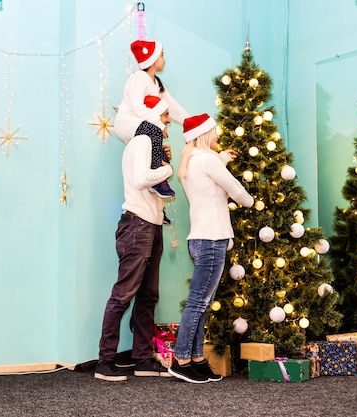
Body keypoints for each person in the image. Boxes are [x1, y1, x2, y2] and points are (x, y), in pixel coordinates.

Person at [168, 114, 254, 383]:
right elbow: (236, 189)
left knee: (202, 303)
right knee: (198, 303)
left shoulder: (193, 160)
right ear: (205, 135)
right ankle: (181, 359)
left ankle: (196, 358)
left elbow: (213, 172)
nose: (218, 136)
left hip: (199, 239)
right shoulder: (206, 160)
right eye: (215, 132)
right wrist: (249, 201)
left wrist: (224, 157)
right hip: (212, 240)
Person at [95, 97, 174, 382]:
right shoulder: (142, 141)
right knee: (123, 295)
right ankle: (105, 362)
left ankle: (142, 358)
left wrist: (162, 161)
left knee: (147, 296)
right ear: (154, 116)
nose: (168, 121)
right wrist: (167, 169)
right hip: (138, 226)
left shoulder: (149, 144)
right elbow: (143, 179)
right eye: (165, 115)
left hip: (151, 225)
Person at [114, 39, 190, 202]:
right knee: (155, 132)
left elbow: (172, 106)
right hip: (128, 123)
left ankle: (157, 206)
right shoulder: (138, 78)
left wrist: (190, 122)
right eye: (162, 55)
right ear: (154, 59)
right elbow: (137, 106)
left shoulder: (156, 83)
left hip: (142, 124)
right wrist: (159, 123)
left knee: (159, 149)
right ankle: (157, 182)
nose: (164, 59)